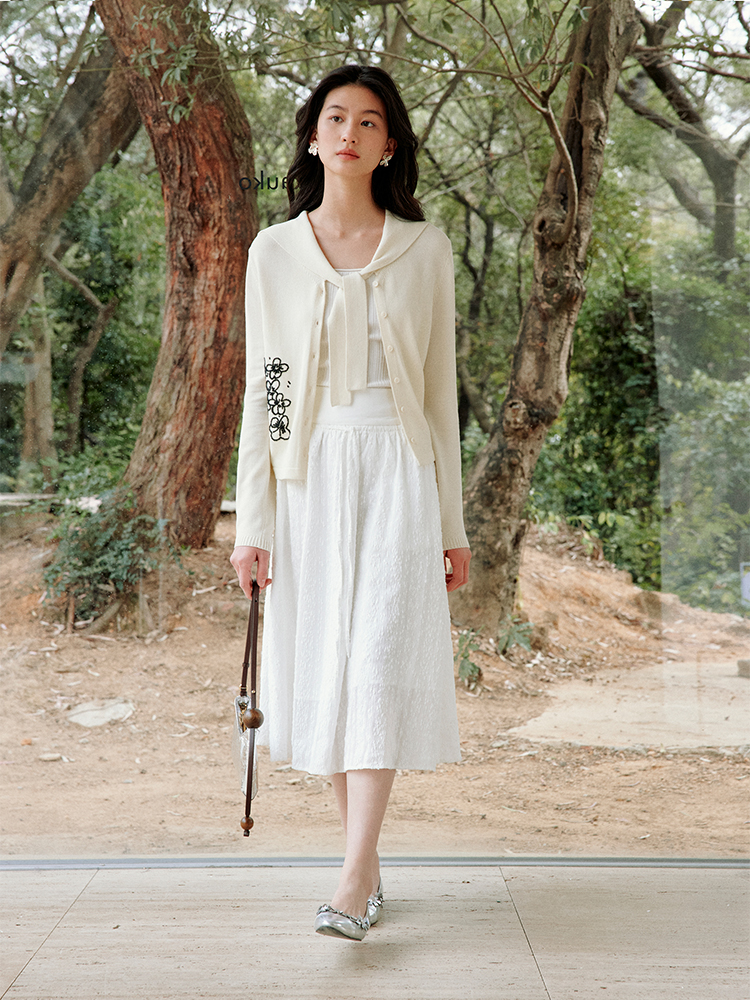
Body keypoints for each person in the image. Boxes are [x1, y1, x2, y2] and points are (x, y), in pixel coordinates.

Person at [230, 64, 471, 941]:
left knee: (376, 660)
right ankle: (362, 871)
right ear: (312, 136)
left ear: (388, 145)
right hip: (309, 476)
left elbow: (438, 397)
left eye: (369, 122)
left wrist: (451, 524)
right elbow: (269, 391)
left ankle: (352, 876)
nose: (349, 133)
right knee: (330, 667)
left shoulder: (424, 248)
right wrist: (254, 521)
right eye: (335, 117)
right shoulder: (274, 252)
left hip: (400, 470)